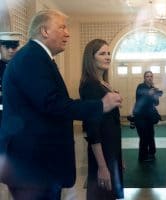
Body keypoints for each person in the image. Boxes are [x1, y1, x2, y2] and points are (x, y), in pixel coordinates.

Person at [0, 10, 122, 200]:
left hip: (38, 165)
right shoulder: (32, 58)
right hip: (33, 168)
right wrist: (100, 106)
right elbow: (53, 104)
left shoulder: (38, 57)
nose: (68, 33)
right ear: (45, 31)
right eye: (62, 27)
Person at [79, 39, 124, 200]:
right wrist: (102, 166)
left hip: (111, 149)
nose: (107, 57)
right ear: (91, 58)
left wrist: (119, 157)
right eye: (102, 53)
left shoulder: (103, 83)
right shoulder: (90, 85)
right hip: (102, 152)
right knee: (102, 195)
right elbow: (92, 129)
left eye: (108, 53)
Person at [133, 71, 162, 162]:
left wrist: (156, 95)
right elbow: (140, 99)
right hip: (140, 116)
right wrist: (150, 93)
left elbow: (156, 103)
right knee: (143, 137)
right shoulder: (140, 86)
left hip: (149, 116)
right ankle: (143, 157)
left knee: (150, 135)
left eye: (151, 76)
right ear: (144, 78)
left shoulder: (153, 88)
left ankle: (152, 153)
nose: (149, 78)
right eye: (147, 76)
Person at [0, 32, 21, 121]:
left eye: (14, 46)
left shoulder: (23, 68)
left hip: (19, 116)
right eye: (7, 46)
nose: (11, 50)